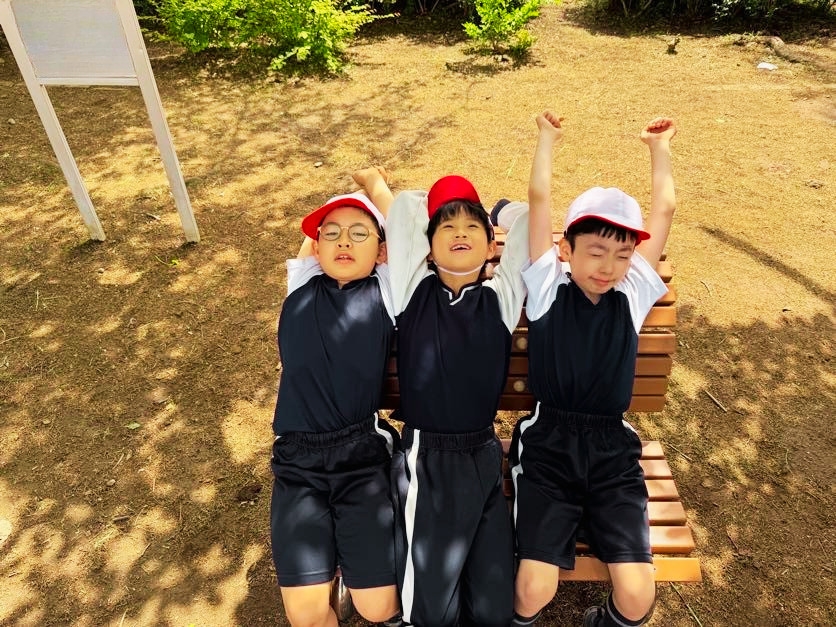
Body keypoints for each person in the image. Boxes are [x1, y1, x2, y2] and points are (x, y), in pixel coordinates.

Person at [510, 112, 677, 627]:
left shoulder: (633, 294)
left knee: (637, 596)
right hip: (550, 445)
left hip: (611, 453)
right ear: (566, 249)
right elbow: (539, 199)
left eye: (622, 255)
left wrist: (659, 149)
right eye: (596, 252)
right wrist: (546, 140)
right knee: (533, 589)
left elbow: (666, 209)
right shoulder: (547, 287)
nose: (608, 267)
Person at [358, 170, 530, 627]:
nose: (460, 233)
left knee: (495, 614)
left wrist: (499, 211)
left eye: (472, 227)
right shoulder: (412, 291)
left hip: (482, 456)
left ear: (491, 247)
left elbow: (530, 224)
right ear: (428, 249)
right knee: (431, 616)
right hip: (427, 460)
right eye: (446, 227)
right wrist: (437, 201)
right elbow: (405, 211)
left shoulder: (501, 299)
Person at [269, 173, 403, 627]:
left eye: (359, 234)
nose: (343, 242)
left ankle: (353, 570)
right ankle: (336, 563)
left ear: (381, 252)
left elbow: (406, 235)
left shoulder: (387, 290)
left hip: (359, 459)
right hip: (298, 463)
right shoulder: (303, 283)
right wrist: (344, 208)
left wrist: (375, 187)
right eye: (332, 234)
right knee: (306, 617)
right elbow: (316, 242)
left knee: (377, 608)